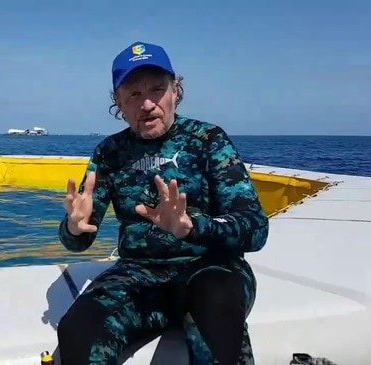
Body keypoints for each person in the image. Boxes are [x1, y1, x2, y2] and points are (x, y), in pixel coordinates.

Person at [55, 41, 270, 365]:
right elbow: (80, 238)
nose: (147, 104)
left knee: (217, 306)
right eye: (134, 95)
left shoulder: (208, 140)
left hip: (211, 269)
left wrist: (191, 227)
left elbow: (255, 227)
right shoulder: (109, 153)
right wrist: (73, 227)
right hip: (139, 275)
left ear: (176, 91)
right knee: (77, 330)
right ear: (119, 103)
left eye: (157, 89)